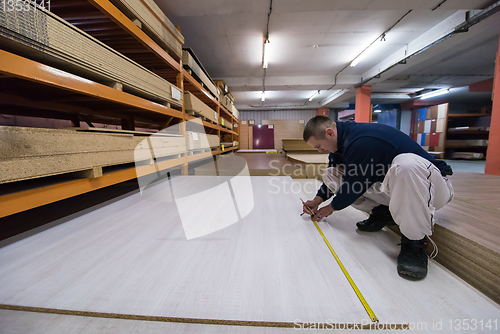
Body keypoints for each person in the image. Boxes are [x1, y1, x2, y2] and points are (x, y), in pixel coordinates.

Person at [302, 116, 454, 280]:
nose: (319, 150)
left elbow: (355, 184)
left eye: (318, 146)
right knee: (332, 173)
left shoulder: (363, 140)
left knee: (406, 165)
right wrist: (317, 201)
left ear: (330, 133)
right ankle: (384, 212)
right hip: (399, 190)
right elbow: (342, 180)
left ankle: (414, 241)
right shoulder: (339, 147)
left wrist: (330, 208)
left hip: (432, 189)